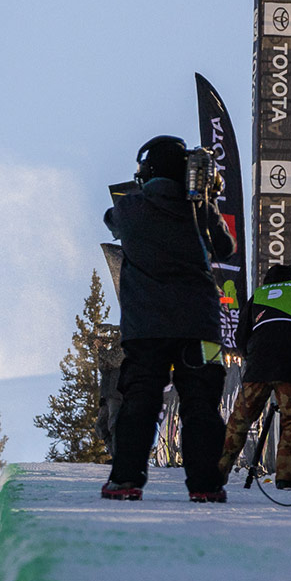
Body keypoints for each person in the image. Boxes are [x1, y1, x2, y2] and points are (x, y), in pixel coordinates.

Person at [102, 134, 239, 502]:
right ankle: (205, 485)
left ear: (146, 171)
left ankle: (126, 479)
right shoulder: (199, 209)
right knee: (202, 404)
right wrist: (204, 199)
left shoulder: (131, 207)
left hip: (146, 329)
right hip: (201, 326)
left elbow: (110, 219)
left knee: (140, 400)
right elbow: (225, 247)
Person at [217, 263, 291, 490]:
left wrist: (252, 358)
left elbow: (240, 337)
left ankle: (215, 474)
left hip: (258, 367)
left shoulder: (257, 296)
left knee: (239, 421)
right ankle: (287, 477)